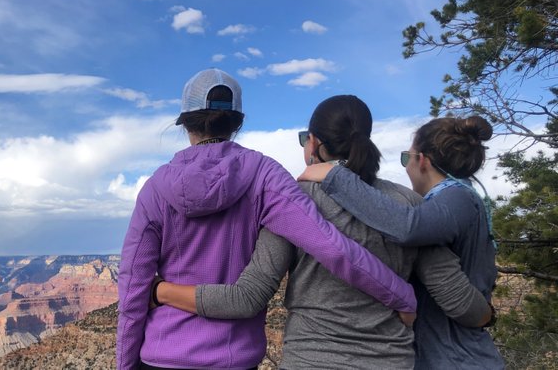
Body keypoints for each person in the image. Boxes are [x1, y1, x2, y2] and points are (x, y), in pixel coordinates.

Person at [153, 95, 493, 369]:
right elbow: (460, 303)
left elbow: (246, 298)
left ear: (313, 143)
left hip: (310, 359)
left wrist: (160, 291)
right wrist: (488, 315)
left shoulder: (292, 203)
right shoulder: (407, 203)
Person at [116, 70, 417, 370]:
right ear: (238, 122)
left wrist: (125, 365)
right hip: (233, 360)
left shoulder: (155, 188)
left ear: (185, 123)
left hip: (161, 356)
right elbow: (331, 247)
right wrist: (401, 295)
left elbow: (132, 293)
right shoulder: (266, 175)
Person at [296, 114, 504, 369]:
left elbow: (407, 227)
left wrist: (334, 176)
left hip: (457, 356)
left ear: (423, 161)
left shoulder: (457, 198)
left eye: (407, 157)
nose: (406, 168)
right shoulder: (444, 205)